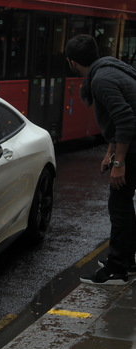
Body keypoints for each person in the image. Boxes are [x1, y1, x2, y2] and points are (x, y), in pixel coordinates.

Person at [67, 34, 136, 285]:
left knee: (119, 205)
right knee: (123, 203)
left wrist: (119, 163)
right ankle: (127, 259)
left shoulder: (102, 80)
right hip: (130, 143)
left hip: (134, 145)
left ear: (72, 63)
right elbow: (119, 118)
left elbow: (126, 119)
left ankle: (117, 270)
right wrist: (110, 152)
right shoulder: (110, 67)